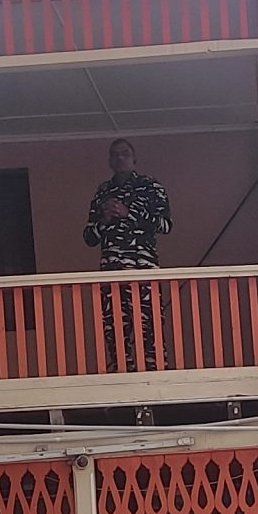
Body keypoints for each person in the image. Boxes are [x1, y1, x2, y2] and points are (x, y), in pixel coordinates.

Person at [83, 138, 172, 368]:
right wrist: (105, 220)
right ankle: (121, 374)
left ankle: (155, 375)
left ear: (134, 159)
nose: (120, 157)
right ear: (110, 161)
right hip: (112, 273)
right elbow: (89, 238)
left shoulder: (151, 187)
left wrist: (128, 212)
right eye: (115, 154)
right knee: (115, 328)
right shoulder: (103, 192)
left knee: (149, 326)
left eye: (124, 153)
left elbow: (165, 226)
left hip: (143, 271)